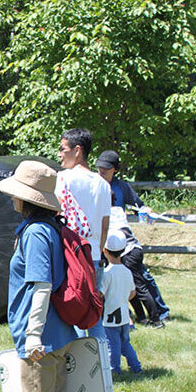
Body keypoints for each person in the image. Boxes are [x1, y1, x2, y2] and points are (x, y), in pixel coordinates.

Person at [0, 160, 79, 392]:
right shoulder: (48, 228)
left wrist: (32, 336)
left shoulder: (35, 233)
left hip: (42, 339)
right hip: (58, 334)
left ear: (25, 198)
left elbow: (41, 286)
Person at [97, 150, 170, 323]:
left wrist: (146, 211)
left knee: (141, 279)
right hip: (103, 241)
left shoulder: (122, 187)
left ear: (115, 169)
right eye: (100, 168)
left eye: (106, 168)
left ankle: (160, 313)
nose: (102, 171)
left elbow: (139, 206)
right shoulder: (94, 183)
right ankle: (129, 314)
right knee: (110, 279)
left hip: (123, 243)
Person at [55, 128, 110, 345]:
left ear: (77, 150)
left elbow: (57, 215)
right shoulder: (102, 184)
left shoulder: (63, 179)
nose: (59, 154)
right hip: (93, 255)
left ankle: (77, 362)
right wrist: (98, 250)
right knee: (93, 313)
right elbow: (105, 226)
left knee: (73, 311)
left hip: (70, 255)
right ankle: (103, 361)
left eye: (63, 149)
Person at [100, 230, 143, 374]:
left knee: (112, 346)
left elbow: (101, 294)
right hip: (124, 317)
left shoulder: (107, 273)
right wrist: (122, 298)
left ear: (105, 251)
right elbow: (133, 292)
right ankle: (136, 367)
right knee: (125, 344)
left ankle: (114, 370)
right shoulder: (127, 271)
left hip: (110, 318)